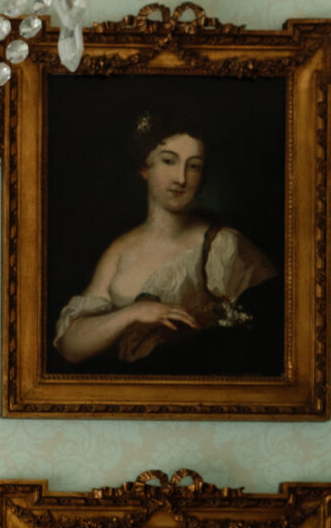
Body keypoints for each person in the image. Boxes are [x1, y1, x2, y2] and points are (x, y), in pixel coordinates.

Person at [52, 109, 275, 368]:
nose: (181, 178)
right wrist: (133, 313)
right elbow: (71, 346)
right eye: (169, 161)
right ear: (144, 168)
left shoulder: (223, 246)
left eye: (194, 166)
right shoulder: (120, 251)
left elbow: (269, 332)